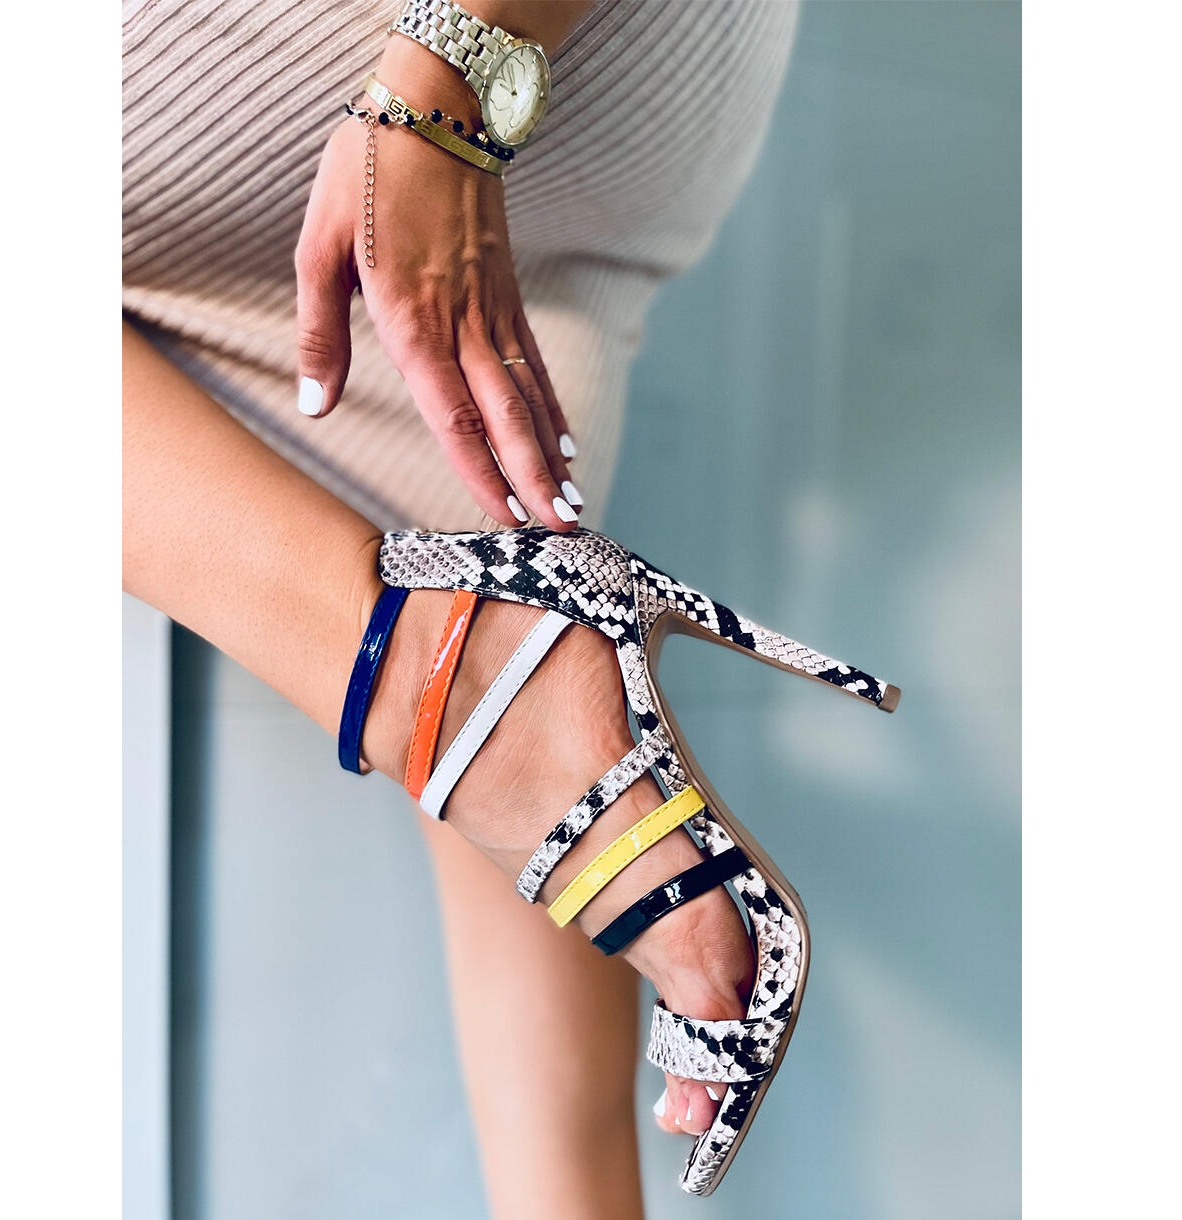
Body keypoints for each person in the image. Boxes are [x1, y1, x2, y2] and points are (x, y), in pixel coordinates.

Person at [124, 0, 848, 1210]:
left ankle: (454, 683)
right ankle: (490, 694)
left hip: (411, 64)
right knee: (560, 1133)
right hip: (603, 99)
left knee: (503, 697)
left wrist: (441, 92)